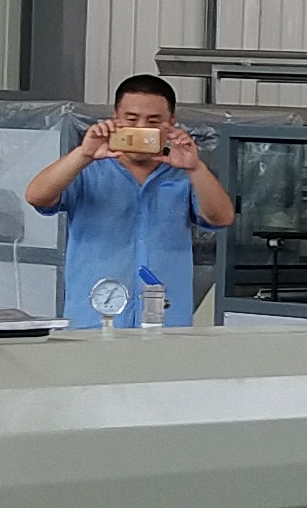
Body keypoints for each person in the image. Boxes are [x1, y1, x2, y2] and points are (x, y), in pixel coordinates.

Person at [25, 73, 234, 331]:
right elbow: (36, 196)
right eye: (131, 119)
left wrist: (195, 168)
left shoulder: (184, 173)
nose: (141, 128)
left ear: (172, 123)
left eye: (154, 121)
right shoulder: (88, 169)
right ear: (116, 119)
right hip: (93, 321)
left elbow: (222, 218)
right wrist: (84, 154)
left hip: (166, 324)